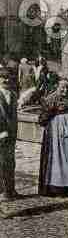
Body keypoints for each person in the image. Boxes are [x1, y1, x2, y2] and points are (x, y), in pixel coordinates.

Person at [38, 78, 68, 196]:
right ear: (56, 86)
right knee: (57, 158)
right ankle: (56, 187)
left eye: (67, 87)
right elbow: (43, 118)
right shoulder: (50, 99)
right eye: (62, 87)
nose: (65, 90)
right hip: (56, 133)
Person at [0, 67, 20, 201]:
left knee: (11, 162)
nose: (6, 80)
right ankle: (2, 191)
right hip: (0, 133)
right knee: (1, 163)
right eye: (3, 78)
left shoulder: (13, 94)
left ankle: (10, 189)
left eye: (8, 78)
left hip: (11, 134)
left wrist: (13, 131)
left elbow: (14, 115)